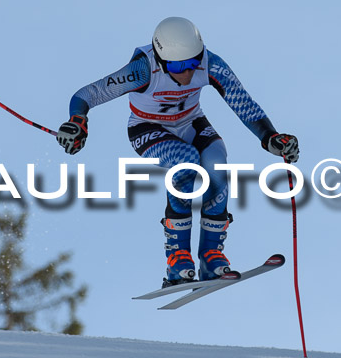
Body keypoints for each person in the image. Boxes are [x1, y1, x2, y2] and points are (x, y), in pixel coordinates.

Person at [57, 17, 299, 287]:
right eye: (177, 66)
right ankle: (177, 258)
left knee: (217, 163)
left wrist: (270, 137)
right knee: (186, 164)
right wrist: (78, 120)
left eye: (192, 63)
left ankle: (211, 255)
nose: (186, 73)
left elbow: (242, 102)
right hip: (148, 129)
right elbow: (88, 93)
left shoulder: (211, 63)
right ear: (161, 61)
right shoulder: (142, 70)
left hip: (191, 123)